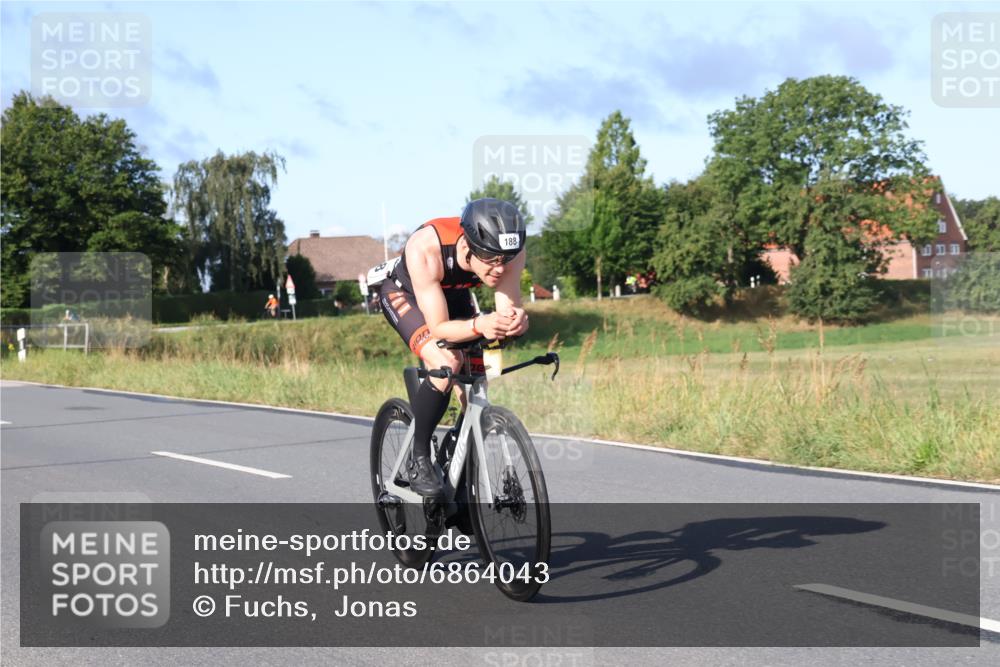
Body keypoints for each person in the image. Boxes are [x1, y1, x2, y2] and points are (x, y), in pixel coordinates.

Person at [378, 198, 529, 496]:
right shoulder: (426, 249)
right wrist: (478, 325)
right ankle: (418, 457)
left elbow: (506, 308)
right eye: (492, 259)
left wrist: (516, 322)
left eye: (506, 259)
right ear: (467, 248)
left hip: (454, 294)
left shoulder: (510, 253)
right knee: (446, 362)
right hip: (406, 296)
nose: (500, 269)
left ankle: (458, 469)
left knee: (475, 380)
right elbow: (438, 329)